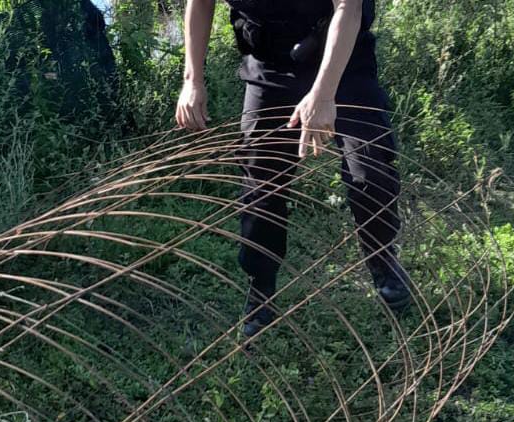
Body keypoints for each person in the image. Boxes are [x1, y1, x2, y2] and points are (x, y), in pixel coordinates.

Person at [175, 0, 412, 338]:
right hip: (270, 63)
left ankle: (384, 263)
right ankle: (261, 291)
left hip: (342, 57)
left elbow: (349, 7)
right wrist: (193, 78)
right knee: (259, 183)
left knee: (370, 170)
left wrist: (324, 94)